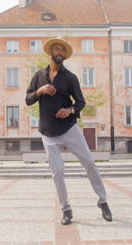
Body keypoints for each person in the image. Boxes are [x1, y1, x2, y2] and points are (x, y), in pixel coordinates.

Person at [25, 37, 112, 225]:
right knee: (57, 171)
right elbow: (28, 99)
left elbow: (81, 102)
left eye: (62, 51)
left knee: (89, 162)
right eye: (56, 49)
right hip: (47, 132)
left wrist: (70, 110)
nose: (59, 53)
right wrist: (39, 91)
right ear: (50, 52)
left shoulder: (70, 77)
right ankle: (66, 210)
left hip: (69, 129)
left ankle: (103, 201)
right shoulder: (39, 76)